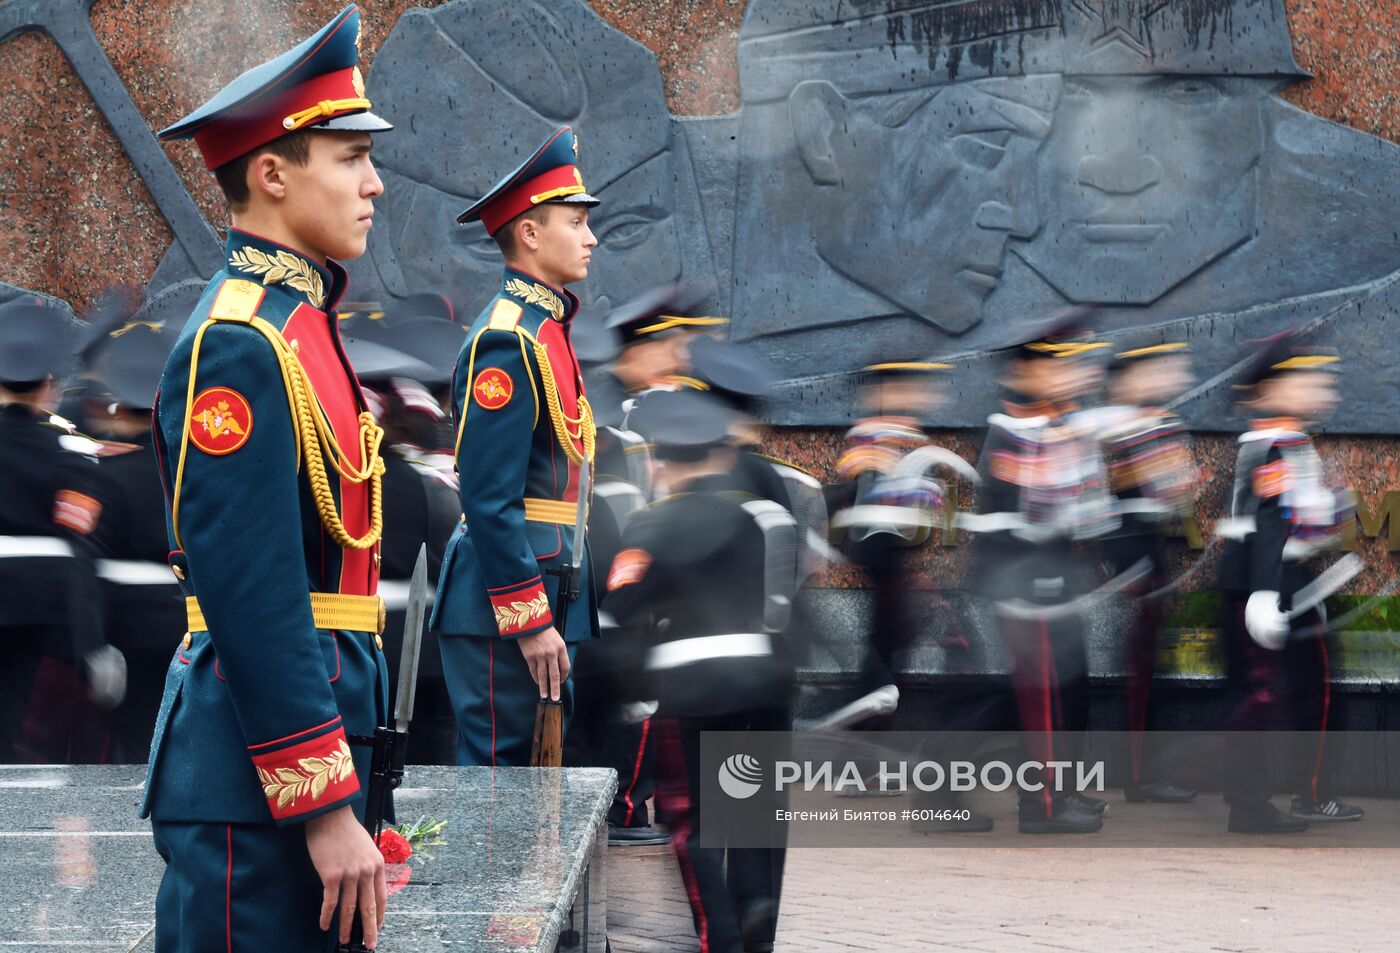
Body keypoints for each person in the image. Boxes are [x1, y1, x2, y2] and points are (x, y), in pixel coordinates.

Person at [142, 7, 395, 949]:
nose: (374, 183)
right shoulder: (240, 343)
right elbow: (250, 584)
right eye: (347, 157)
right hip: (258, 784)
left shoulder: (301, 326)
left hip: (306, 750)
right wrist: (324, 802)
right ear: (274, 172)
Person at [431, 126, 601, 767]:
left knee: (538, 789)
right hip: (506, 605)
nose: (591, 237)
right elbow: (488, 499)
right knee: (503, 796)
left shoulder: (546, 330)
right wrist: (527, 618)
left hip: (549, 587)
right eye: (576, 221)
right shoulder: (507, 341)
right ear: (529, 233)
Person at [606, 388, 795, 953]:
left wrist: (631, 689)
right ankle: (758, 927)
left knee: (694, 824)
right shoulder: (766, 515)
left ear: (662, 462)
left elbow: (623, 611)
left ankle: (722, 939)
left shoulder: (650, 524)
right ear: (721, 456)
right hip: (765, 680)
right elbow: (781, 605)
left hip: (689, 687)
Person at [964, 319, 1116, 833]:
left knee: (1065, 692)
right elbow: (1016, 518)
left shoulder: (1058, 428)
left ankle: (1062, 789)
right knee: (1040, 697)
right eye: (1057, 368)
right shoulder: (1013, 432)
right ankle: (1043, 806)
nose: (1069, 378)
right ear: (1027, 373)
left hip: (1054, 578)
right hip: (1024, 584)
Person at [1217, 333, 1364, 832]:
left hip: (1286, 583)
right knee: (1270, 698)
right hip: (1274, 586)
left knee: (1292, 695)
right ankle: (1267, 799)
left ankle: (1286, 794)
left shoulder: (1287, 442)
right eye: (1309, 381)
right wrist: (1265, 593)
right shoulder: (1277, 445)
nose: (1323, 391)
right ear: (1275, 388)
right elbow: (1271, 523)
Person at [0, 299, 120, 764]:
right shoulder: (71, 449)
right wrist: (91, 640)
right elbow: (78, 537)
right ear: (48, 386)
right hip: (40, 603)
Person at [1090, 342, 1199, 804]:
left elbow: (1173, 495)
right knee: (1139, 680)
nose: (1171, 378)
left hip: (1148, 565)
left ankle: (1148, 773)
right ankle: (1140, 777)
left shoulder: (1145, 426)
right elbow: (1152, 493)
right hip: (1130, 567)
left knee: (1150, 676)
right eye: (1158, 371)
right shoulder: (1119, 430)